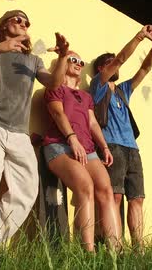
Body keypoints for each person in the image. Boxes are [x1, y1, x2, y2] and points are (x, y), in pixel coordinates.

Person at [0, 9, 69, 248]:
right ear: (4, 26)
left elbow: (53, 83)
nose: (23, 24)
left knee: (27, 189)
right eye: (18, 20)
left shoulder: (33, 61)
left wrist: (63, 57)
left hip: (19, 132)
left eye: (27, 22)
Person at [42, 51, 121, 252]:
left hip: (88, 150)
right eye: (73, 59)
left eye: (80, 61)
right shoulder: (55, 88)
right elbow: (57, 113)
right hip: (59, 145)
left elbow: (93, 122)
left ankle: (117, 251)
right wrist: (72, 138)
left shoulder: (86, 96)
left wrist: (103, 147)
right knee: (85, 186)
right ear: (62, 64)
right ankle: (89, 253)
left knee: (106, 191)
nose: (78, 64)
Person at [89, 25, 152, 251]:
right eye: (108, 61)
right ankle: (114, 249)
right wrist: (140, 37)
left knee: (137, 199)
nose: (115, 63)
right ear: (102, 68)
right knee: (115, 198)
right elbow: (119, 59)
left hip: (132, 149)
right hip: (112, 147)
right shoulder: (97, 85)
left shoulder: (123, 90)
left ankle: (138, 249)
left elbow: (145, 69)